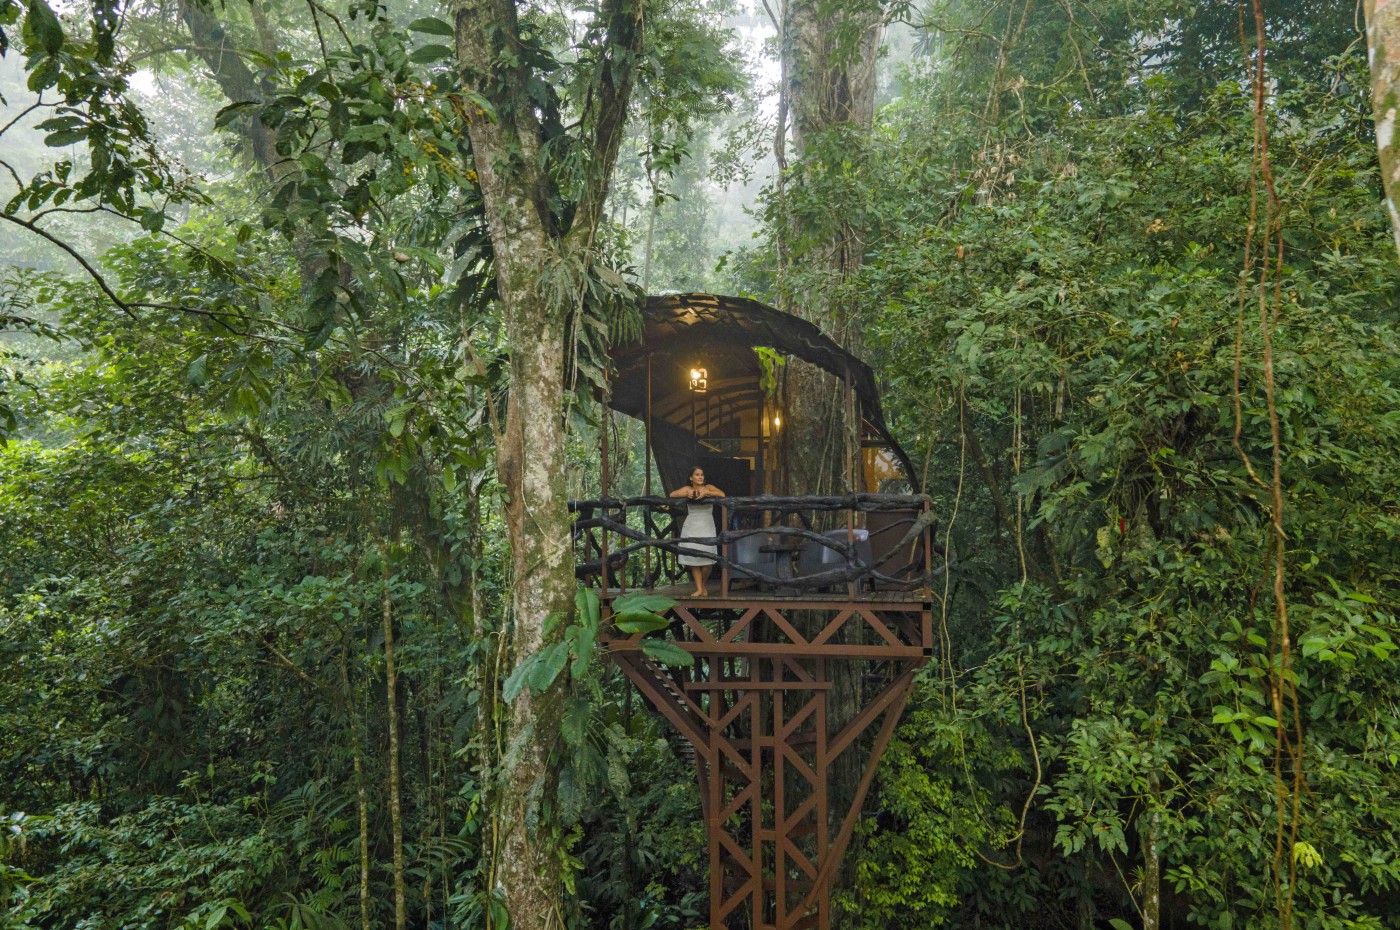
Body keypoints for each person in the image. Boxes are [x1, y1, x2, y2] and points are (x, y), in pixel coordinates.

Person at [669, 466, 724, 597]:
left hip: (707, 524)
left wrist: (707, 494)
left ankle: (702, 584)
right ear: (691, 478)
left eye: (702, 474)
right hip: (692, 525)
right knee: (694, 557)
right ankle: (699, 589)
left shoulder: (708, 487)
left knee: (708, 558)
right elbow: (672, 494)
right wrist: (686, 494)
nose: (700, 477)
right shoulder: (688, 488)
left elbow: (722, 494)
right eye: (697, 475)